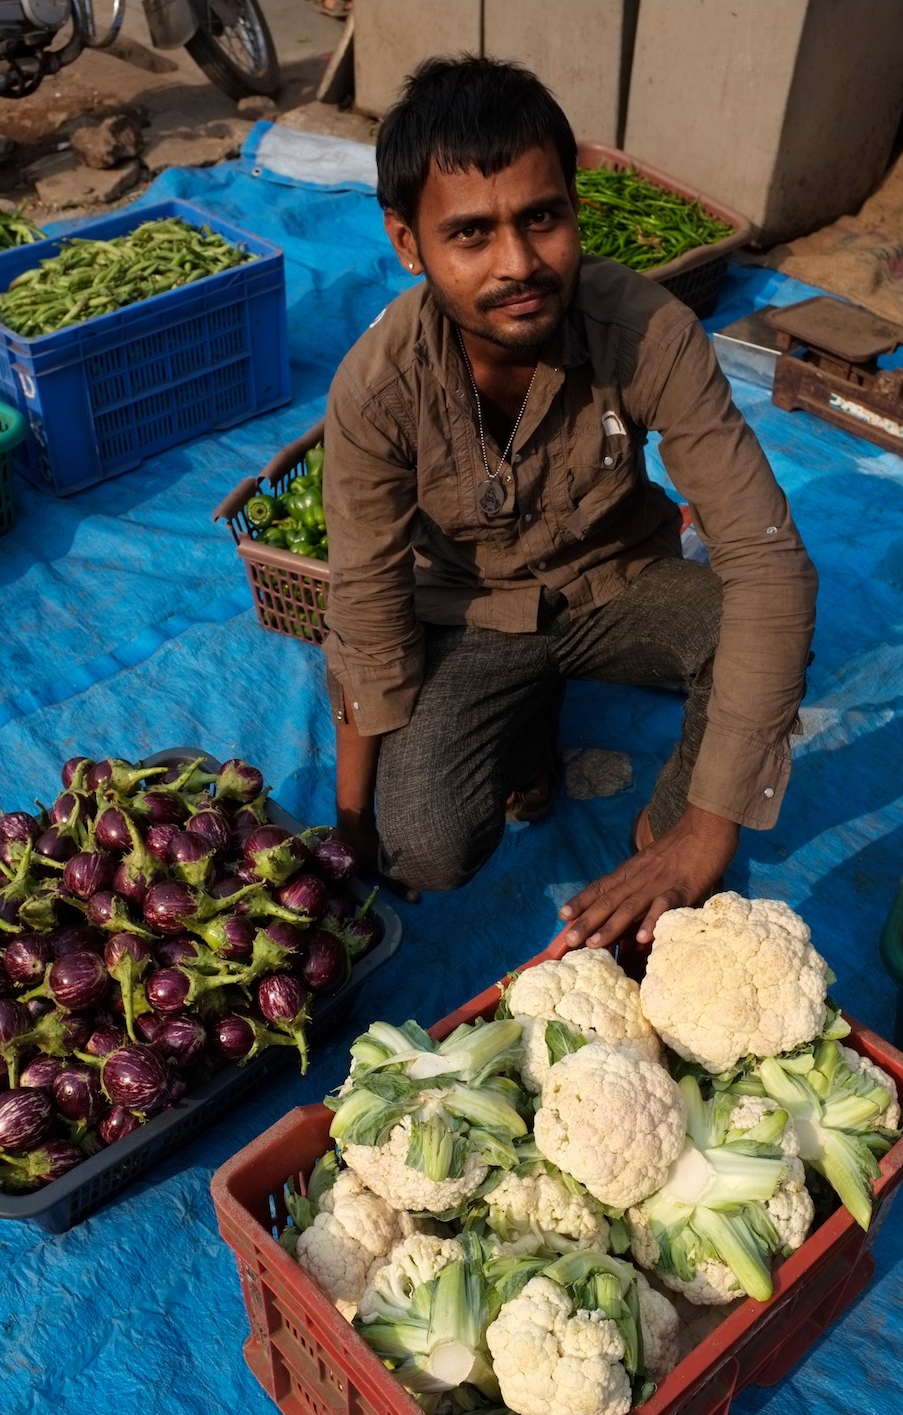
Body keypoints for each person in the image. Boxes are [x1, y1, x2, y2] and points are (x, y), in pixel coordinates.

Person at [320, 54, 818, 953]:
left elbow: (767, 561)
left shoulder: (651, 330)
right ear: (406, 243)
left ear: (574, 205)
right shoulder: (376, 390)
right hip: (471, 617)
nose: (518, 264)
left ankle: (654, 846)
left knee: (752, 624)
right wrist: (353, 826)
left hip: (618, 583)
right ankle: (524, 731)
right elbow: (366, 610)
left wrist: (702, 832)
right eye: (470, 234)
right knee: (418, 845)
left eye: (541, 218)